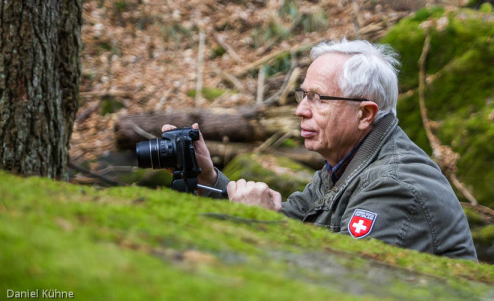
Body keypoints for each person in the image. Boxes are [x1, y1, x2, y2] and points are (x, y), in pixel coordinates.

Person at [163, 39, 477, 261]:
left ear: (365, 114)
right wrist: (209, 176)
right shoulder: (343, 164)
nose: (300, 110)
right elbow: (289, 221)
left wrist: (262, 226)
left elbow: (343, 282)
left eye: (318, 98)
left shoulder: (393, 184)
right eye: (303, 95)